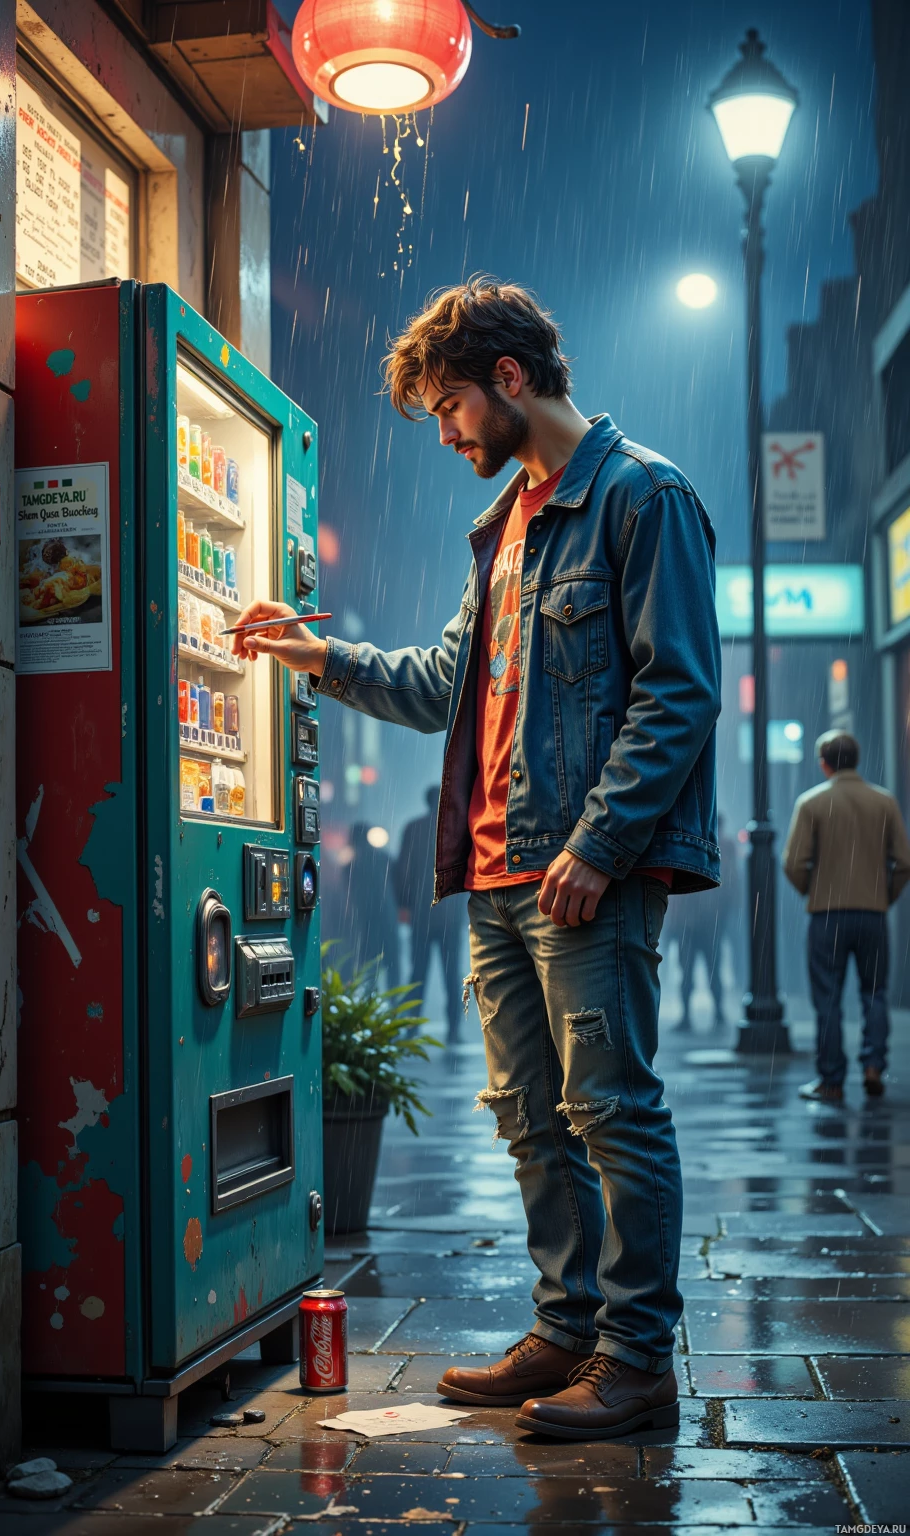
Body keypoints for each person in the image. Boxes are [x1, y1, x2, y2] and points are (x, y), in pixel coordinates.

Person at [231, 277, 721, 1441]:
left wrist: (601, 847)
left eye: (449, 407)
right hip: (497, 876)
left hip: (581, 874)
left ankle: (637, 1362)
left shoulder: (640, 498)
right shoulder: (501, 529)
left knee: (611, 1109)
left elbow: (678, 694)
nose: (445, 435)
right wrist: (317, 655)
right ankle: (565, 1332)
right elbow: (442, 684)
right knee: (527, 1115)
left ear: (508, 379)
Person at [782, 730, 910, 1103]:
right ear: (856, 759)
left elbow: (792, 862)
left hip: (827, 916)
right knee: (875, 994)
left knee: (828, 998)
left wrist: (812, 888)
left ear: (824, 762)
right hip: (873, 914)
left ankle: (831, 1079)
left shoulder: (812, 803)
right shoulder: (883, 802)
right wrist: (884, 895)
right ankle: (873, 1066)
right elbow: (903, 863)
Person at [395, 785, 468, 1040]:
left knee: (418, 973)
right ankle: (454, 1028)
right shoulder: (456, 830)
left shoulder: (413, 829)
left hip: (422, 916)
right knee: (452, 974)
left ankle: (412, 1027)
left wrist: (404, 905)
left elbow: (402, 871)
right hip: (450, 915)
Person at [669, 810, 736, 1032]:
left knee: (690, 969)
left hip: (693, 922)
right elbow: (732, 884)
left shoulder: (691, 844)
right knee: (706, 968)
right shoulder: (723, 846)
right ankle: (715, 1012)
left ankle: (693, 1015)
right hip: (706, 921)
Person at [337, 822, 400, 988]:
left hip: (366, 921)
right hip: (387, 916)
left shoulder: (351, 865)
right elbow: (399, 883)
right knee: (392, 963)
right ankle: (395, 1006)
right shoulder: (384, 857)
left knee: (368, 967)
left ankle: (370, 1005)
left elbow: (348, 896)